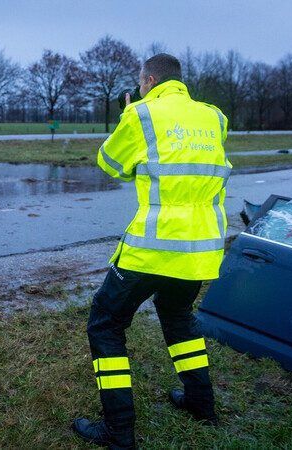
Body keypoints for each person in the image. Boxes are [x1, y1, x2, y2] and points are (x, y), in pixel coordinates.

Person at [71, 53, 231, 449]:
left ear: (148, 79)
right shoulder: (214, 117)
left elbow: (111, 163)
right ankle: (200, 403)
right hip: (200, 249)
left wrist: (127, 116)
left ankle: (118, 432)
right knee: (178, 316)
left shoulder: (141, 114)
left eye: (141, 82)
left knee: (106, 324)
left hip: (151, 248)